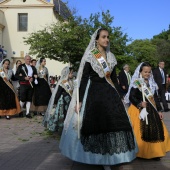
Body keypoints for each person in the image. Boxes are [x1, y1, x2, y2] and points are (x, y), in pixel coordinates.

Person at [59, 28, 138, 170]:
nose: (106, 39)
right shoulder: (91, 55)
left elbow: (113, 80)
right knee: (98, 125)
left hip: (110, 95)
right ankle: (98, 158)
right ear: (96, 39)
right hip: (94, 94)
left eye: (108, 37)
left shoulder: (111, 57)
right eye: (103, 37)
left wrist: (120, 97)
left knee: (113, 124)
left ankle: (110, 157)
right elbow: (83, 79)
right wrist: (80, 100)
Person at [125, 62, 170, 160]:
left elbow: (155, 98)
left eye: (149, 72)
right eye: (145, 72)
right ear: (140, 71)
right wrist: (140, 103)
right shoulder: (137, 82)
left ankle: (155, 152)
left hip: (151, 109)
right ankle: (141, 152)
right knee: (141, 131)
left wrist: (159, 110)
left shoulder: (152, 83)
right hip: (139, 109)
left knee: (155, 130)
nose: (147, 74)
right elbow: (131, 96)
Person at [43, 66, 74, 133]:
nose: (72, 74)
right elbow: (58, 93)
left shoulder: (71, 82)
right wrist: (55, 101)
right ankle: (60, 127)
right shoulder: (62, 83)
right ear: (67, 74)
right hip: (63, 102)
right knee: (61, 115)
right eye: (71, 73)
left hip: (69, 101)